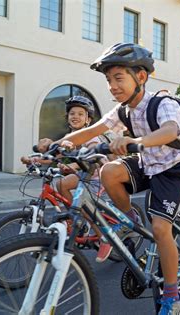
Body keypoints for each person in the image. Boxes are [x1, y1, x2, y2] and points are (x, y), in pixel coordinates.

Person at [55, 43, 180, 314]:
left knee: (162, 230)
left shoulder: (162, 103)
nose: (112, 86)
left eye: (119, 78)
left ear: (141, 77)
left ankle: (173, 297)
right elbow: (88, 132)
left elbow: (170, 130)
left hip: (171, 169)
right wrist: (53, 147)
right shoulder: (122, 110)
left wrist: (136, 141)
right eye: (108, 80)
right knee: (109, 171)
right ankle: (131, 220)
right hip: (145, 164)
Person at [23, 96, 116, 263]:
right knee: (60, 184)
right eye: (72, 113)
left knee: (85, 207)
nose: (75, 116)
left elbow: (90, 158)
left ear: (88, 119)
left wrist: (72, 166)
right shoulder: (70, 137)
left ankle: (104, 238)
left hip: (98, 178)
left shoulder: (91, 137)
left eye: (81, 114)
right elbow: (52, 156)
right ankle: (77, 219)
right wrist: (35, 160)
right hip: (84, 176)